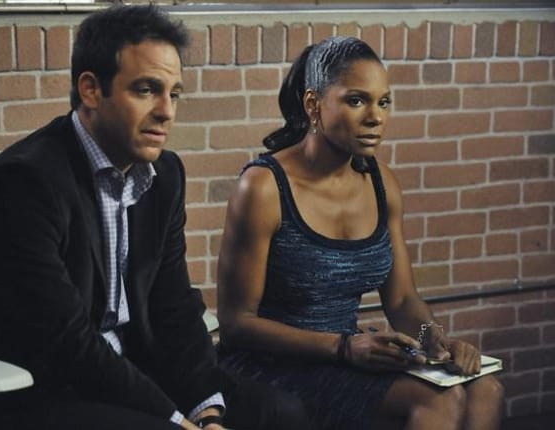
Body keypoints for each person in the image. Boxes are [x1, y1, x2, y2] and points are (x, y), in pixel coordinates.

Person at [0, 5, 309, 430]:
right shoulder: (23, 184)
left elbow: (174, 308)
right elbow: (64, 343)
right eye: (146, 90)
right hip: (34, 390)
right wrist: (179, 422)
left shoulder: (163, 175)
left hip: (126, 369)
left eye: (174, 94)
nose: (167, 111)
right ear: (91, 90)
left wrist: (207, 411)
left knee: (280, 414)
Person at [216, 36, 505, 430]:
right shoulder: (264, 187)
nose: (375, 117)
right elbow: (237, 324)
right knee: (438, 401)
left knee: (486, 389)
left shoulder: (382, 183)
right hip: (272, 364)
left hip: (349, 353)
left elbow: (402, 299)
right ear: (313, 105)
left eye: (384, 102)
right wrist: (343, 347)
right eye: (356, 101)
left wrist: (435, 340)